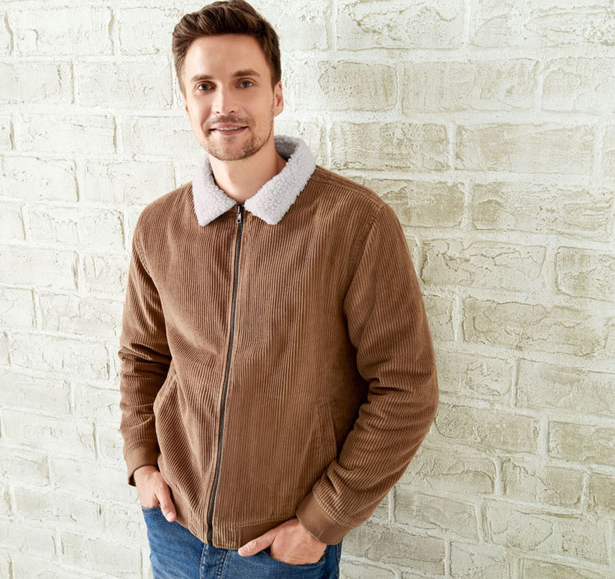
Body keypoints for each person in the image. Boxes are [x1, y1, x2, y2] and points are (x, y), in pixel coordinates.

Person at [117, 1, 439, 577]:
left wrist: (321, 522)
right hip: (173, 528)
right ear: (186, 102)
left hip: (282, 548)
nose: (224, 104)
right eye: (204, 86)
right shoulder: (158, 226)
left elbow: (405, 388)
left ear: (278, 95)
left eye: (245, 82)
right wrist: (142, 463)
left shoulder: (356, 223)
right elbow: (142, 356)